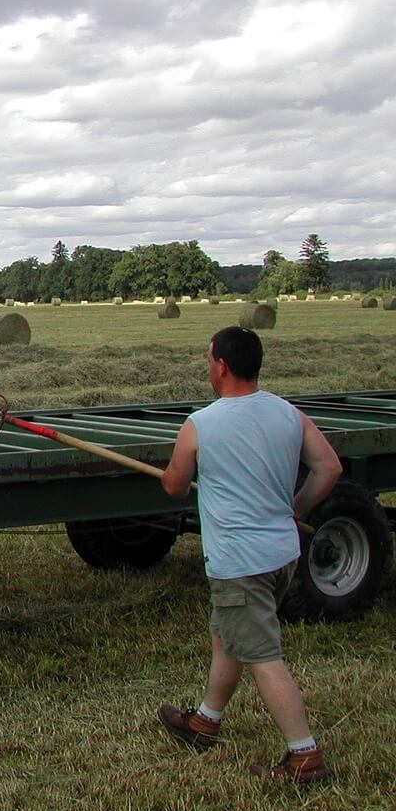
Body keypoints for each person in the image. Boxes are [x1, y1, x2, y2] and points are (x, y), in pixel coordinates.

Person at [158, 326, 341, 784]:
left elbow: (174, 486)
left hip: (241, 562)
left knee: (261, 655)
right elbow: (329, 467)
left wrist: (174, 473)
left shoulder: (202, 424)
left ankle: (304, 756)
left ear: (221, 366)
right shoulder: (288, 413)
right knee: (229, 635)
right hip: (281, 554)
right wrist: (296, 508)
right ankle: (205, 721)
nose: (208, 367)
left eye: (208, 360)